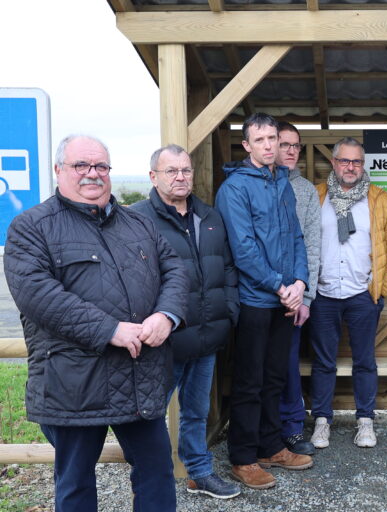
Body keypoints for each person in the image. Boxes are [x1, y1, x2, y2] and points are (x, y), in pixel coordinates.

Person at [3, 135, 187, 512]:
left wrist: (165, 315)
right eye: (81, 166)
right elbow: (39, 295)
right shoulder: (31, 227)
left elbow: (176, 271)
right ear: (59, 171)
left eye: (101, 166)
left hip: (139, 377)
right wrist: (110, 330)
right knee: (75, 482)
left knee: (156, 472)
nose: (93, 174)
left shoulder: (138, 224)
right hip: (74, 383)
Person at [132, 144, 241, 500]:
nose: (181, 177)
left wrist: (230, 309)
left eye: (186, 170)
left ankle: (200, 472)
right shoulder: (137, 219)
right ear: (153, 176)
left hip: (208, 334)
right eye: (172, 171)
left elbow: (226, 267)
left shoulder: (209, 217)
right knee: (150, 414)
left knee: (196, 412)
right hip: (165, 341)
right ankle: (153, 478)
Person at [215, 113, 312, 490]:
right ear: (247, 146)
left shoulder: (282, 184)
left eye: (274, 138)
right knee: (249, 381)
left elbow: (297, 239)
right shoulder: (235, 188)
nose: (270, 145)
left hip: (285, 300)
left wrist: (300, 282)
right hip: (256, 300)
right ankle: (243, 456)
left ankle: (271, 446)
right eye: (261, 140)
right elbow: (244, 249)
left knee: (274, 378)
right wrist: (279, 286)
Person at [309, 136, 387, 449]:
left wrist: (381, 287)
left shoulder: (380, 200)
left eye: (356, 161)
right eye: (344, 161)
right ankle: (322, 421)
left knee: (365, 360)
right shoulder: (316, 196)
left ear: (364, 165)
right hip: (322, 294)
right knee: (323, 361)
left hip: (362, 295)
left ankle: (365, 420)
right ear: (334, 163)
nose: (350, 167)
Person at [276, 122, 321, 455]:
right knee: (261, 365)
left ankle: (292, 427)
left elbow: (312, 244)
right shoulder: (249, 185)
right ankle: (265, 428)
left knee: (289, 362)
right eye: (285, 144)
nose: (291, 150)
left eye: (296, 146)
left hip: (294, 295)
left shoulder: (305, 190)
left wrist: (305, 296)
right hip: (259, 293)